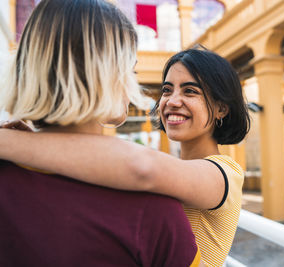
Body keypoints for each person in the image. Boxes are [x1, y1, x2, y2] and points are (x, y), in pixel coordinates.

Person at [0, 48, 250, 265]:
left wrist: (16, 142)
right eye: (166, 89)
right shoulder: (173, 167)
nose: (172, 101)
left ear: (221, 108)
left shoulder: (225, 173)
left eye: (190, 91)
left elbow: (140, 167)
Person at [0, 0, 203, 266]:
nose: (134, 77)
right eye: (130, 67)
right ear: (104, 73)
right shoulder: (152, 209)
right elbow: (142, 167)